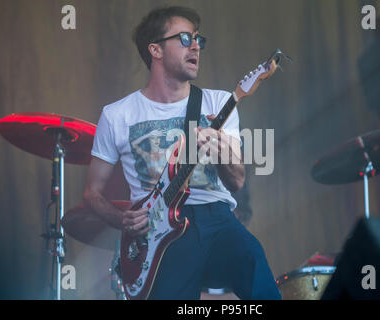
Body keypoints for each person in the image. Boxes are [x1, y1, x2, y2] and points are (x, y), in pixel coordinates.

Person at [83, 5, 281, 300]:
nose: (196, 48)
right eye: (186, 39)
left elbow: (237, 182)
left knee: (253, 263)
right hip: (158, 233)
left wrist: (224, 151)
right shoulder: (116, 115)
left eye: (199, 40)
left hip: (217, 218)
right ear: (156, 50)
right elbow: (91, 194)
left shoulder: (219, 103)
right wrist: (121, 218)